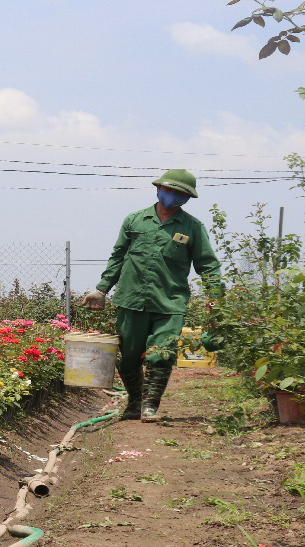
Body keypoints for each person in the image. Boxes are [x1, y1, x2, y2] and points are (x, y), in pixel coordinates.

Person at [80, 169, 223, 422]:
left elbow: (208, 265)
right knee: (128, 359)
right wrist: (102, 289)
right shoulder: (135, 220)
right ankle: (135, 402)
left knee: (161, 353)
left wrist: (216, 296)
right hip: (131, 299)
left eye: (180, 194)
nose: (173, 196)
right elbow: (118, 257)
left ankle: (150, 406)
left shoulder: (193, 227)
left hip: (170, 303)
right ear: (158, 188)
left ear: (187, 198)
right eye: (170, 190)